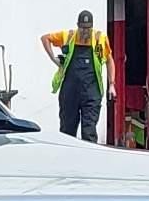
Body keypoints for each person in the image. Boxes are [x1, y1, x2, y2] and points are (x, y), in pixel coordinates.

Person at [41, 10, 111, 141]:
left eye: (88, 28)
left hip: (91, 92)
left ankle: (89, 159)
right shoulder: (68, 36)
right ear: (77, 25)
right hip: (70, 93)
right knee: (67, 132)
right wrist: (53, 59)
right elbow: (45, 38)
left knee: (89, 131)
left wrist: (112, 84)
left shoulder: (100, 39)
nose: (85, 31)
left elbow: (109, 59)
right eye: (82, 28)